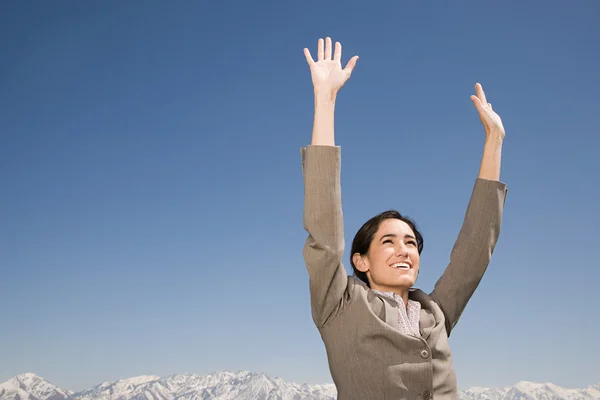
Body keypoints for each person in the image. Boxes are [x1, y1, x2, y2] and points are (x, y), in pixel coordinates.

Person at [300, 37, 508, 399]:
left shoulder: (435, 312)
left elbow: (475, 251)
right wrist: (325, 99)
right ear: (359, 260)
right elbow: (324, 225)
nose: (404, 250)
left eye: (411, 243)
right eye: (389, 241)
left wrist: (494, 141)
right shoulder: (340, 305)